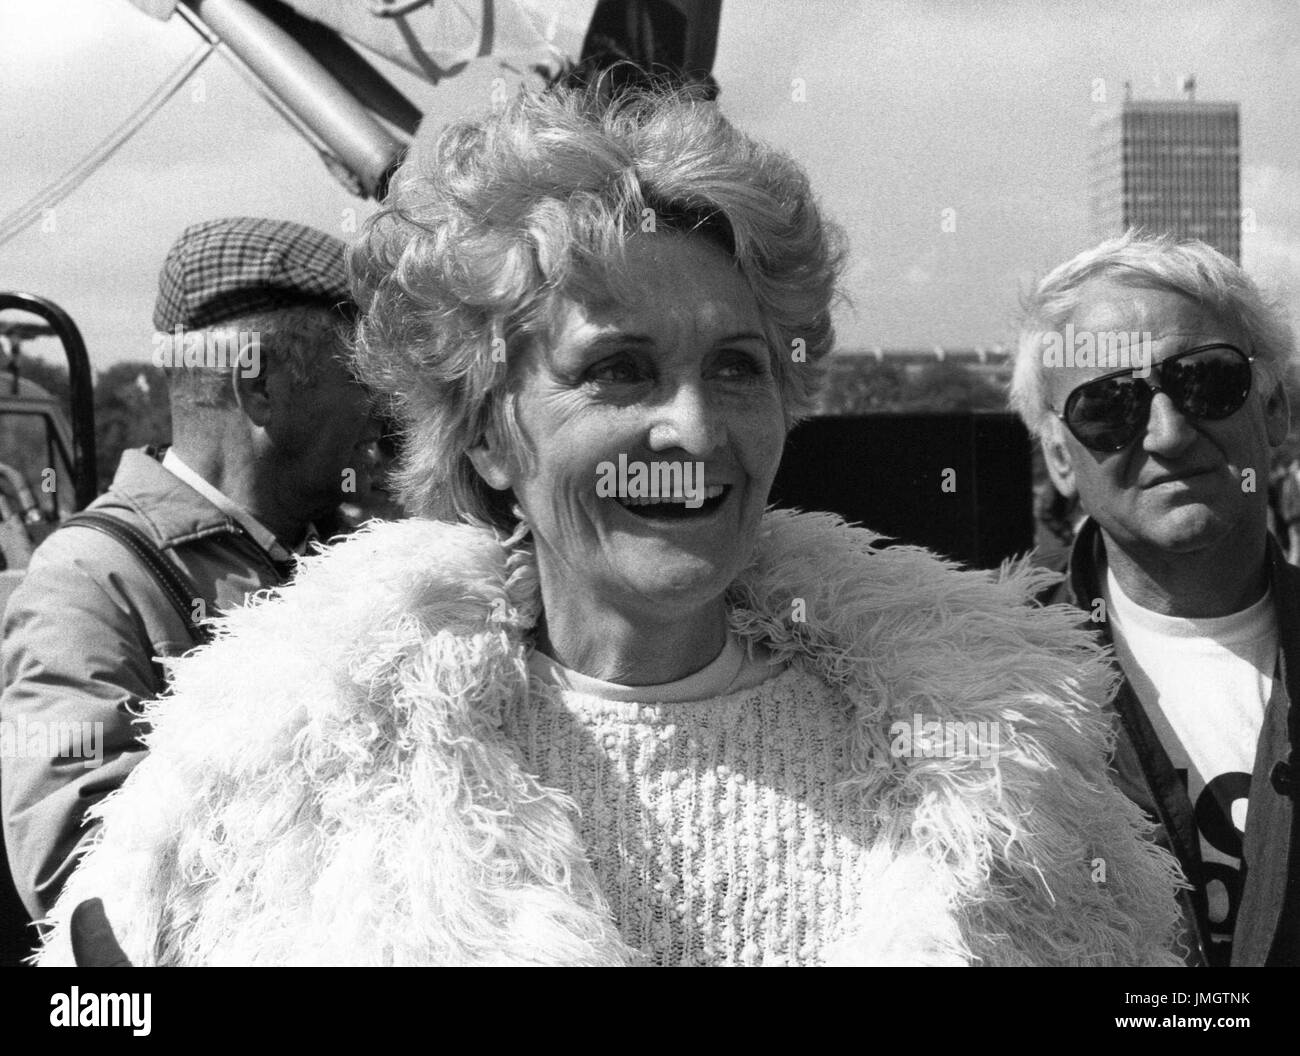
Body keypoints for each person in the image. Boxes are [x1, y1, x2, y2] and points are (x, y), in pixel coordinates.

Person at [37, 83, 1181, 967]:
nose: (691, 429)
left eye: (734, 367)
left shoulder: (1007, 774)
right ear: (485, 431)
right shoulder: (280, 764)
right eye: (619, 371)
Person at [1, 216, 376, 921]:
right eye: (358, 375)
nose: (382, 408)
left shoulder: (353, 551)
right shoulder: (91, 582)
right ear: (257, 384)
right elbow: (82, 880)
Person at [1011, 231, 1300, 966]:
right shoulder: (984, 689)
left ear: (1274, 413)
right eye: (1110, 408)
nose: (1169, 433)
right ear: (1058, 459)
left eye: (1206, 381)